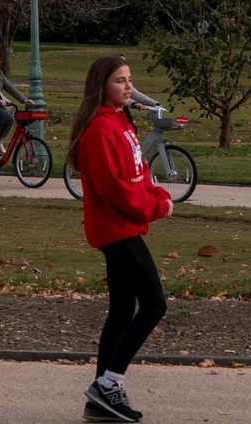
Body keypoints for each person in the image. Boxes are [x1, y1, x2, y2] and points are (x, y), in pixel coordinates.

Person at [68, 55, 173, 424]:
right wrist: (156, 206)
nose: (128, 86)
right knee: (154, 305)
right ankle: (109, 383)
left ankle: (100, 398)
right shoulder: (98, 129)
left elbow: (138, 172)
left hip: (126, 227)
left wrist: (156, 195)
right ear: (101, 86)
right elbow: (115, 189)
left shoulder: (120, 121)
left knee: (121, 310)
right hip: (117, 232)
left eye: (129, 80)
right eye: (119, 81)